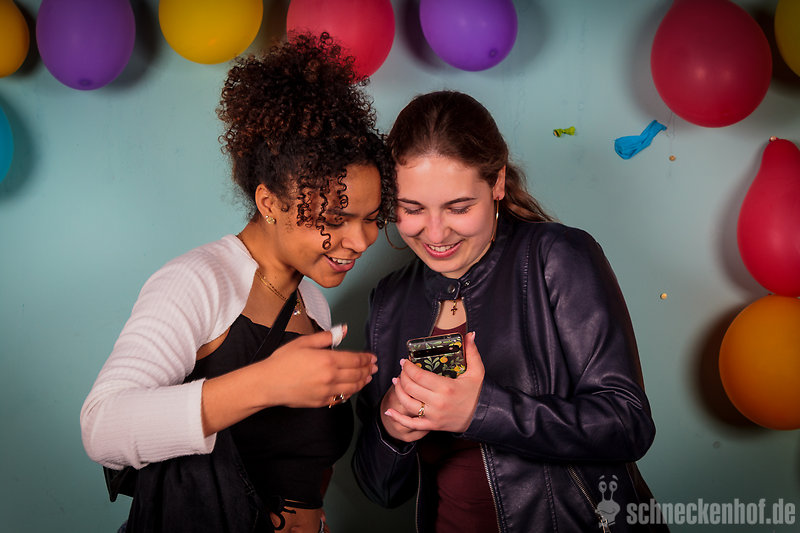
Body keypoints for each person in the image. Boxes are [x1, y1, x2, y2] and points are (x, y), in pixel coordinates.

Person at [81, 33, 395, 533]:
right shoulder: (198, 281)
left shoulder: (312, 301)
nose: (360, 240)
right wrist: (266, 383)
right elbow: (102, 427)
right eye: (335, 219)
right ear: (269, 203)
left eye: (373, 218)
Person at [352, 91, 668, 532]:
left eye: (459, 207)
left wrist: (481, 411)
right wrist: (392, 431)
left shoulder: (557, 257)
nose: (435, 233)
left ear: (497, 183)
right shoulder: (389, 301)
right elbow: (381, 491)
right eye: (412, 209)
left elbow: (627, 424)